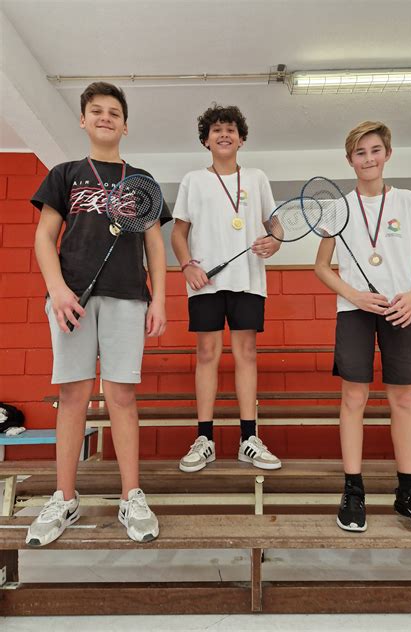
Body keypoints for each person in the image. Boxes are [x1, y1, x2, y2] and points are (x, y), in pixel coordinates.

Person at [27, 82, 171, 546]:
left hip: (128, 298)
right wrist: (57, 290)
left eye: (114, 112)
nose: (105, 117)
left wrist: (161, 301)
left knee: (122, 397)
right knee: (73, 397)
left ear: (125, 125)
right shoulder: (65, 173)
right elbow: (43, 238)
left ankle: (131, 494)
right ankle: (65, 497)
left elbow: (154, 245)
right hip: (72, 301)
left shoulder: (142, 180)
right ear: (84, 121)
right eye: (96, 111)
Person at [314, 120, 411, 533]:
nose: (368, 158)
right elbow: (321, 266)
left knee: (404, 400)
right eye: (360, 152)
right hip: (355, 310)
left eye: (375, 150)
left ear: (387, 154)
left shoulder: (409, 200)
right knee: (354, 398)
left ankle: (408, 491)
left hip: (402, 309)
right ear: (350, 159)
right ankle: (353, 490)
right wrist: (354, 295)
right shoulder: (337, 207)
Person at [171, 104, 282, 473]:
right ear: (206, 139)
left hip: (248, 279)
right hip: (206, 281)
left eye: (230, 129)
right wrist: (187, 266)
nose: (224, 134)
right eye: (216, 129)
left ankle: (249, 438)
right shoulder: (193, 180)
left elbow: (274, 224)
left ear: (242, 138)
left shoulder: (257, 178)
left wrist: (275, 241)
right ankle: (205, 439)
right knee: (207, 353)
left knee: (246, 353)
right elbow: (178, 233)